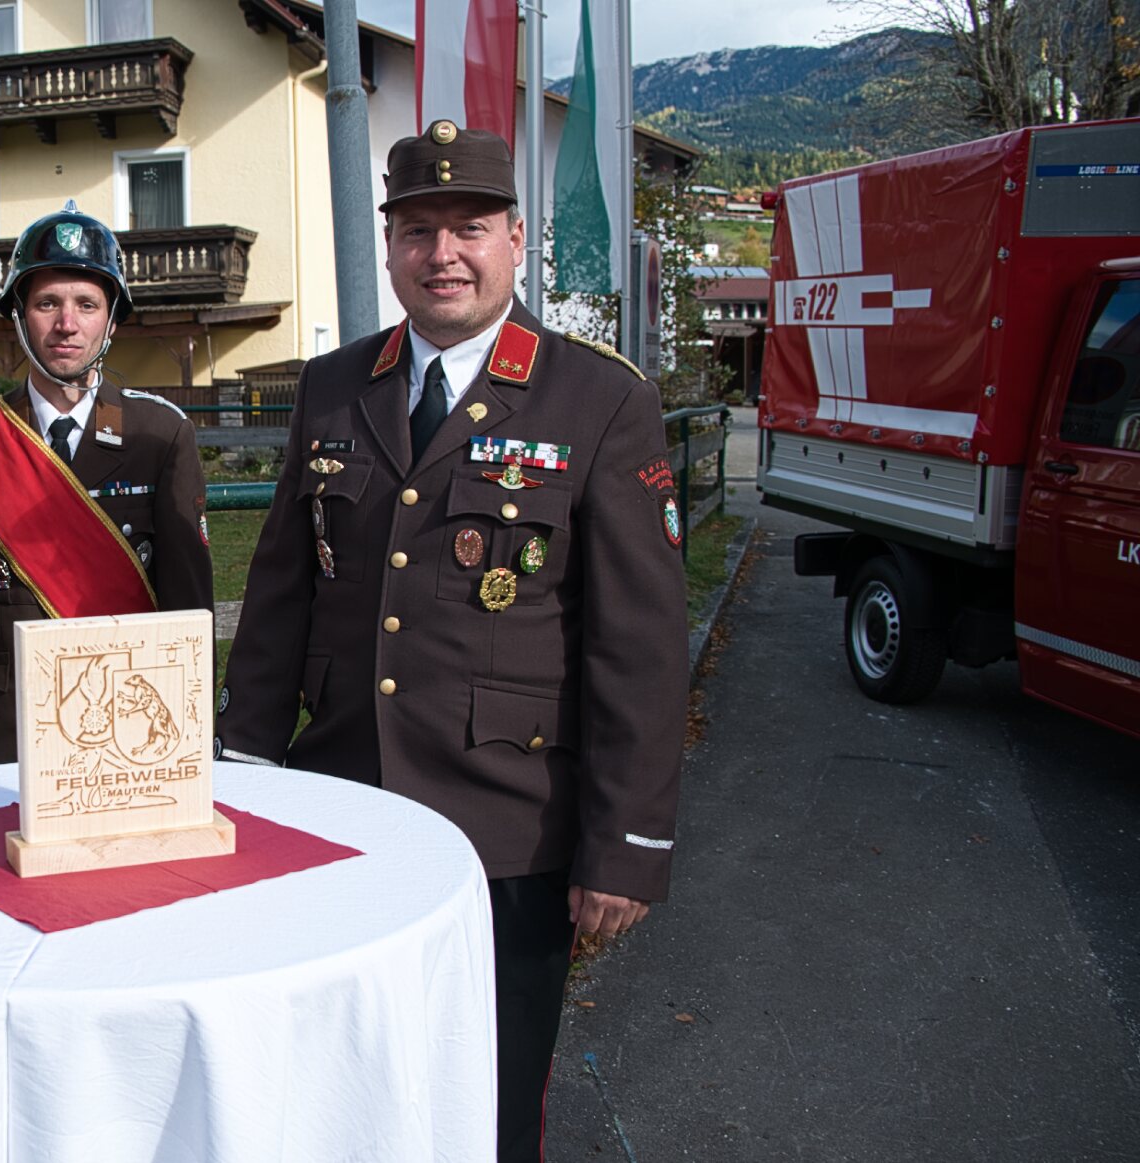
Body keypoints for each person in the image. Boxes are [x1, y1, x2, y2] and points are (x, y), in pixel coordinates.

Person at [215, 122, 686, 1162]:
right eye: (418, 230)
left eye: (469, 228)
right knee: (341, 1086)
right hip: (342, 810)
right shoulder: (334, 385)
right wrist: (244, 768)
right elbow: (283, 594)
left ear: (515, 239)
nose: (444, 254)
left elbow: (639, 649)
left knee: (490, 1100)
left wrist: (625, 844)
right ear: (389, 247)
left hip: (505, 830)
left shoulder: (600, 398)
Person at [0, 206, 213, 763]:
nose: (67, 324)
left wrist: (191, 740)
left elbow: (190, 613)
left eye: (87, 304)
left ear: (111, 322)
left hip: (130, 734)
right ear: (19, 316)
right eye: (47, 304)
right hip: (12, 733)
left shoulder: (160, 435)